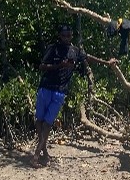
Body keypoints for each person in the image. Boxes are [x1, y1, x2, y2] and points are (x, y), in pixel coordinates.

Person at [31, 24, 89, 168]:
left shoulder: (75, 51)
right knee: (39, 120)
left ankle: (37, 154)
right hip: (46, 88)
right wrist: (59, 66)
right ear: (59, 36)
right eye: (64, 35)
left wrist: (107, 62)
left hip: (60, 91)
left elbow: (89, 58)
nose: (66, 38)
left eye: (69, 35)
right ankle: (43, 151)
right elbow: (42, 66)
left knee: (48, 123)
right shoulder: (53, 49)